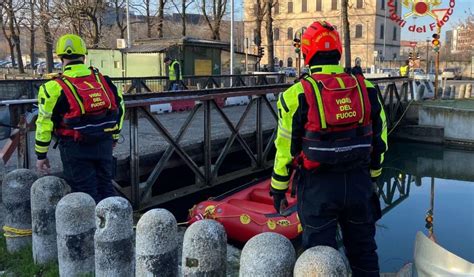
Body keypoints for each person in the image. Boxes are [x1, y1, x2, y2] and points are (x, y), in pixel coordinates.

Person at [270, 21, 387, 277]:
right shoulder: (366, 89)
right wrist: (374, 176)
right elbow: (381, 139)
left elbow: (285, 148)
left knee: (320, 258)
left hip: (318, 187)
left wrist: (278, 187)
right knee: (364, 252)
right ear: (339, 52)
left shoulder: (295, 94)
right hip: (359, 183)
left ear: (306, 54)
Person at [35, 34, 125, 203]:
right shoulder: (103, 80)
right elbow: (120, 107)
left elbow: (44, 122)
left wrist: (41, 154)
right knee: (106, 187)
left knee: (84, 193)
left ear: (60, 57)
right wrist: (114, 136)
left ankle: (90, 227)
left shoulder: (53, 87)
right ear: (84, 56)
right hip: (104, 143)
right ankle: (114, 225)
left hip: (75, 147)